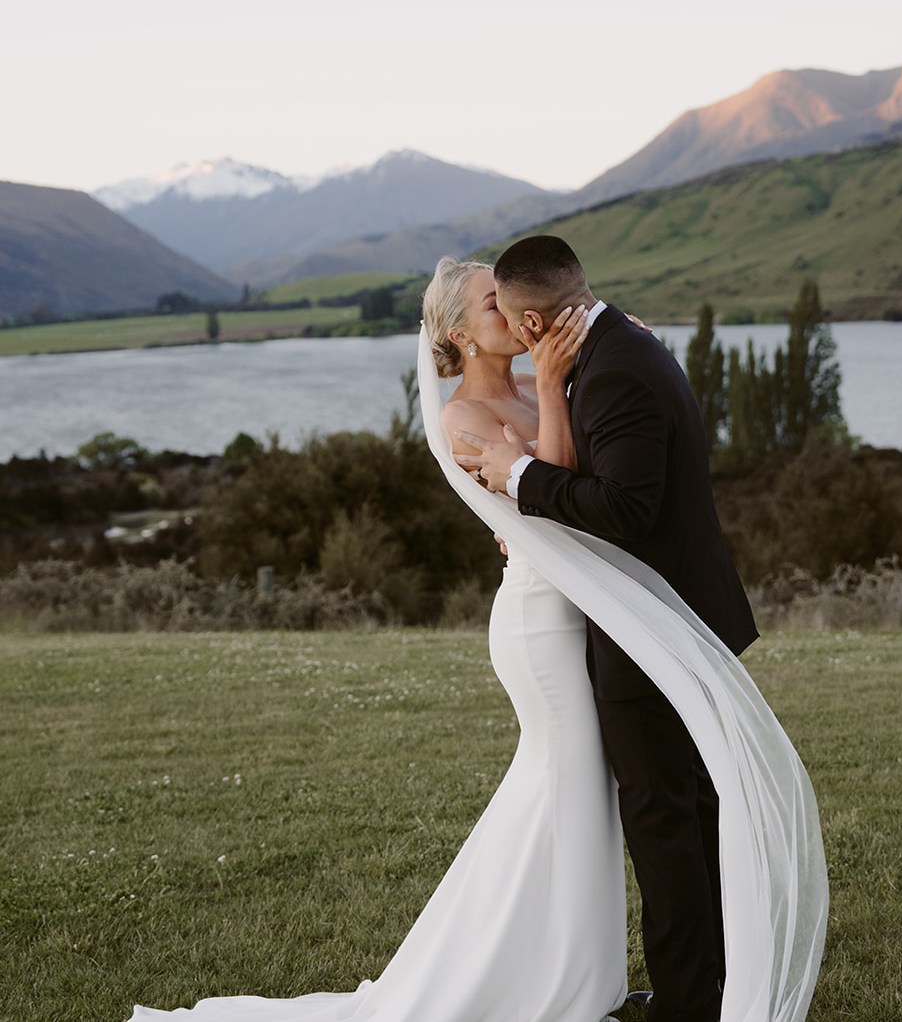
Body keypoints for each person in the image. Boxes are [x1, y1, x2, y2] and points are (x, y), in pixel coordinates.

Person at [125, 256, 630, 1022]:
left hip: (584, 613)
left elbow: (595, 480)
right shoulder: (464, 417)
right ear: (460, 334)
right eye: (498, 300)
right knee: (569, 786)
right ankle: (525, 982)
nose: (519, 308)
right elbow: (554, 495)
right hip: (539, 626)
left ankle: (568, 973)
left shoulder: (540, 382)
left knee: (574, 794)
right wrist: (557, 390)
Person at [451, 236, 765, 1022]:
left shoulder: (618, 367)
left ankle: (690, 1004)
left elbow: (626, 511)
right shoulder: (621, 346)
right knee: (681, 808)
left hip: (647, 625)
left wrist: (520, 478)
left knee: (666, 817)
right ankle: (708, 982)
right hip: (631, 617)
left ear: (529, 324)